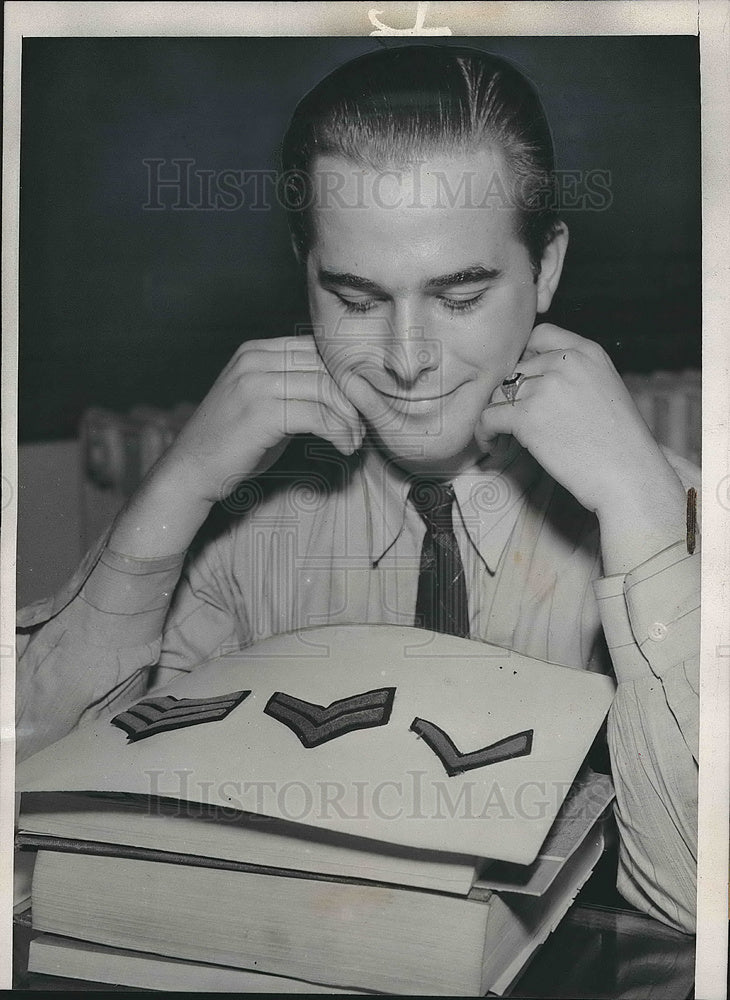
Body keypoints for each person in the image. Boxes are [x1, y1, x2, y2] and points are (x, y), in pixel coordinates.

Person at [16, 44, 698, 934]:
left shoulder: (671, 525)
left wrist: (642, 514)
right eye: (355, 296)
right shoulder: (246, 531)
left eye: (460, 297)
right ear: (304, 276)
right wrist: (172, 492)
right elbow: (39, 828)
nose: (409, 360)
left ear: (548, 271)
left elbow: (697, 905)